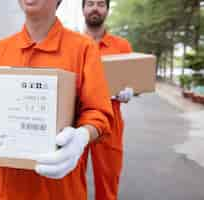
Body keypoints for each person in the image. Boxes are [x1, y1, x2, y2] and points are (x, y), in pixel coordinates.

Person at [0, 0, 114, 199]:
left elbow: (99, 113)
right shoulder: (0, 49)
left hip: (60, 189)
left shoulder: (83, 49)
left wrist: (81, 137)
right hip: (6, 190)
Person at [82, 0, 134, 199]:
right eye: (90, 3)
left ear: (107, 10)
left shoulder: (122, 46)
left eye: (101, 4)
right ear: (83, 9)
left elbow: (134, 80)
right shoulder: (73, 43)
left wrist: (132, 90)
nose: (95, 8)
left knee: (108, 180)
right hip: (76, 121)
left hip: (111, 123)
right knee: (70, 180)